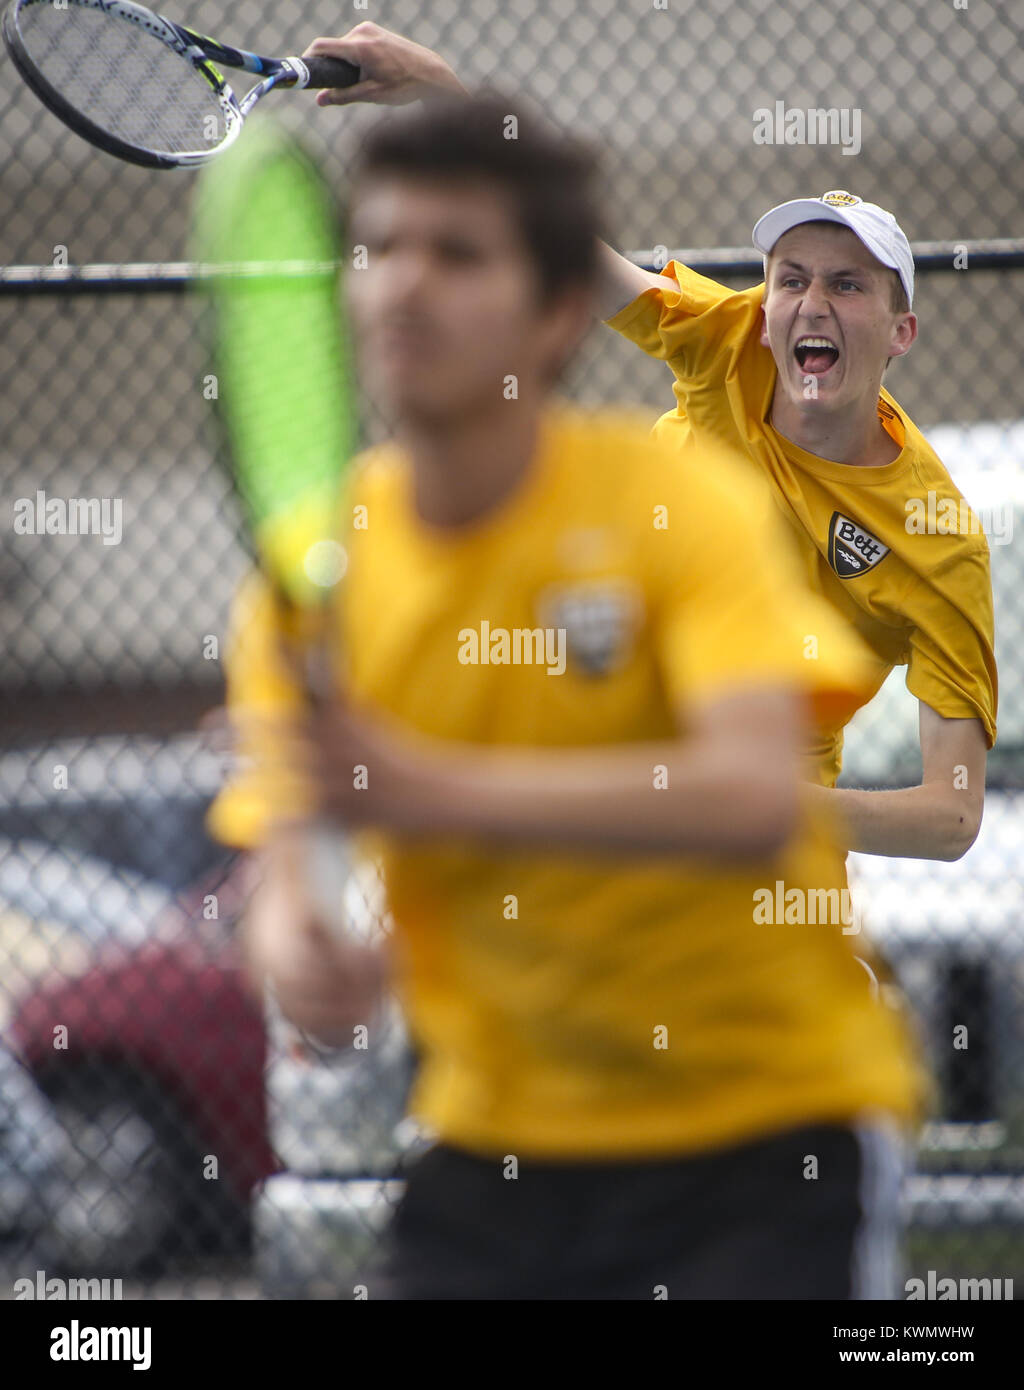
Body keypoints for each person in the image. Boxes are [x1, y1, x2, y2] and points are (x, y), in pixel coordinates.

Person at [208, 94, 927, 1300]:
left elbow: (752, 794)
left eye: (457, 253)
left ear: (552, 315)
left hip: (765, 1139)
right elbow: (290, 886)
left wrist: (429, 786)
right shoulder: (302, 587)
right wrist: (307, 965)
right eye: (381, 249)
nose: (404, 286)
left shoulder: (679, 510)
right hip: (493, 1153)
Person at [300, 22, 997, 864]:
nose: (812, 302)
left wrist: (754, 801)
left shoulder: (937, 535)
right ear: (767, 314)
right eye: (792, 280)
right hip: (582, 736)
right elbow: (583, 265)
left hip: (748, 856)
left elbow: (952, 819)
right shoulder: (726, 337)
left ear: (902, 332)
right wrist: (443, 94)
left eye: (848, 284)